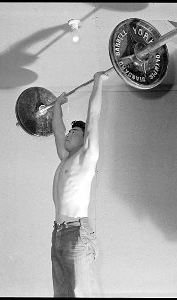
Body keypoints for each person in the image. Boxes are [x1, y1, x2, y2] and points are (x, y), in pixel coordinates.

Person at [51, 71, 108, 297]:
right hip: (58, 232)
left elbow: (93, 116)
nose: (68, 134)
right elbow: (57, 130)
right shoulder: (65, 157)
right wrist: (57, 105)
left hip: (77, 233)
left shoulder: (87, 155)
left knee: (81, 292)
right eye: (70, 131)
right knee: (61, 292)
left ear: (85, 139)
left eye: (74, 132)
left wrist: (97, 82)